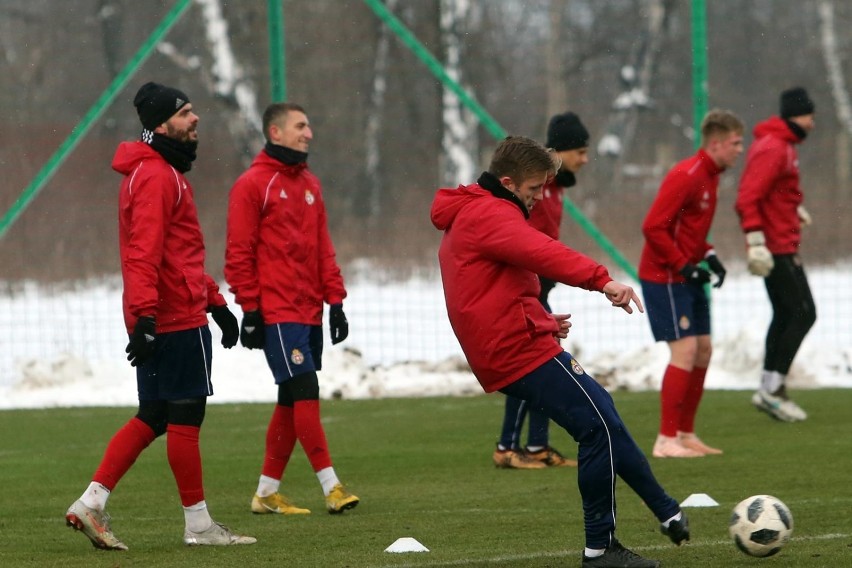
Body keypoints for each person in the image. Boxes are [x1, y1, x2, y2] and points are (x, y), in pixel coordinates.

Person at [431, 135, 689, 568]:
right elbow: (541, 252)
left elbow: (491, 289)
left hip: (516, 340)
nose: (536, 200)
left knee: (603, 415)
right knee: (596, 428)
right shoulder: (490, 214)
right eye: (533, 191)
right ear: (509, 182)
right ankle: (600, 550)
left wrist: (543, 320)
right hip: (515, 349)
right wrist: (601, 279)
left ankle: (665, 509)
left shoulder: (479, 209)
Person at [65, 82, 256, 550]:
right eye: (186, 112)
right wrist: (147, 317)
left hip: (167, 310)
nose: (195, 120)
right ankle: (199, 526)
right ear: (160, 123)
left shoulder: (156, 172)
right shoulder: (157, 176)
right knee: (186, 416)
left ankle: (91, 502)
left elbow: (179, 254)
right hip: (172, 318)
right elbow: (143, 253)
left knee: (153, 415)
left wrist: (215, 302)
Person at [225, 102, 359, 516]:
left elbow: (323, 249)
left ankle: (266, 494)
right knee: (305, 391)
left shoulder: (310, 186)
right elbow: (239, 251)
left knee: (289, 398)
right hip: (277, 311)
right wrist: (249, 308)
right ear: (275, 132)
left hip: (308, 311)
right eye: (301, 126)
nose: (309, 133)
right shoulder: (252, 185)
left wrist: (335, 301)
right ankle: (331, 487)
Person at [639, 109, 745, 458]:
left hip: (685, 274)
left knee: (703, 349)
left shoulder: (712, 176)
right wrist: (684, 264)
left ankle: (685, 433)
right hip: (665, 277)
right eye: (735, 143)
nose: (740, 150)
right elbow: (653, 227)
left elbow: (690, 229)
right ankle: (665, 440)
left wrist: (709, 255)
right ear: (716, 143)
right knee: (684, 350)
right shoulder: (687, 174)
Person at [493, 112, 589, 470]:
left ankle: (536, 445)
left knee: (546, 357)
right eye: (580, 150)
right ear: (560, 151)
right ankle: (506, 446)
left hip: (540, 285)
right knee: (530, 361)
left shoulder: (557, 187)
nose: (586, 158)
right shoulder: (538, 185)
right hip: (526, 285)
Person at [735, 87, 817, 422]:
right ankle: (771, 389)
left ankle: (771, 387)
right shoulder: (774, 147)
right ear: (796, 114)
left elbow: (775, 192)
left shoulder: (785, 146)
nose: (813, 123)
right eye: (810, 115)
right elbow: (747, 197)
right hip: (774, 247)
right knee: (801, 312)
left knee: (788, 313)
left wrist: (793, 208)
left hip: (782, 241)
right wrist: (755, 240)